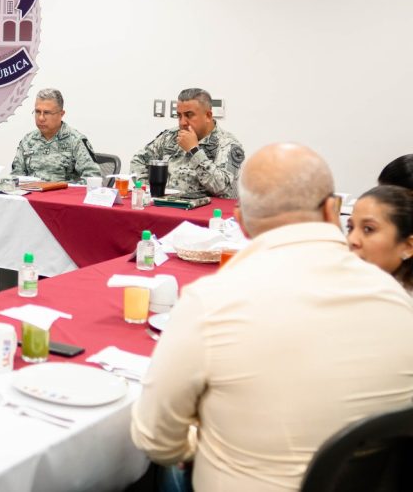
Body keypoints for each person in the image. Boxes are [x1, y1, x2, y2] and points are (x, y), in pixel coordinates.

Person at [131, 143, 413, 492]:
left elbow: (155, 440)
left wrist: (200, 443)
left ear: (241, 223)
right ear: (333, 210)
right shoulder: (399, 304)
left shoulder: (211, 302)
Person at [129, 87, 244, 198]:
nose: (182, 122)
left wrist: (194, 150)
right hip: (166, 205)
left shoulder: (227, 144)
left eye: (189, 115)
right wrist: (148, 189)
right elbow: (138, 160)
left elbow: (222, 187)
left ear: (208, 116)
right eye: (179, 115)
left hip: (204, 208)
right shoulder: (170, 136)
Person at [10, 88, 101, 183]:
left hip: (64, 192)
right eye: (37, 112)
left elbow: (93, 177)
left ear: (61, 114)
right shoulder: (27, 140)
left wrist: (68, 189)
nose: (41, 118)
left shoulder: (75, 140)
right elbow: (16, 176)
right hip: (32, 191)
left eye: (47, 113)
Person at [347, 185, 413, 293]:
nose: (351, 240)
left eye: (368, 229)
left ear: (408, 246)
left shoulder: (401, 300)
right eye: (350, 227)